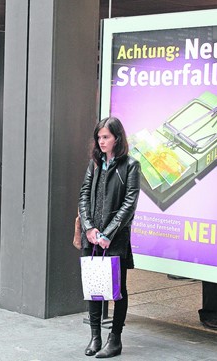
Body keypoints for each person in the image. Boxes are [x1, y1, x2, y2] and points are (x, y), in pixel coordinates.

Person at [78, 116, 140, 358]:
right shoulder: (95, 163)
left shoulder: (131, 165)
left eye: (106, 137)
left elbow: (129, 203)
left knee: (118, 289)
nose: (101, 142)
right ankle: (95, 337)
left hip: (115, 238)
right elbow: (83, 195)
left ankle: (115, 339)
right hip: (92, 236)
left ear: (117, 138)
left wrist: (109, 234)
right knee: (93, 285)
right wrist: (89, 228)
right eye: (99, 137)